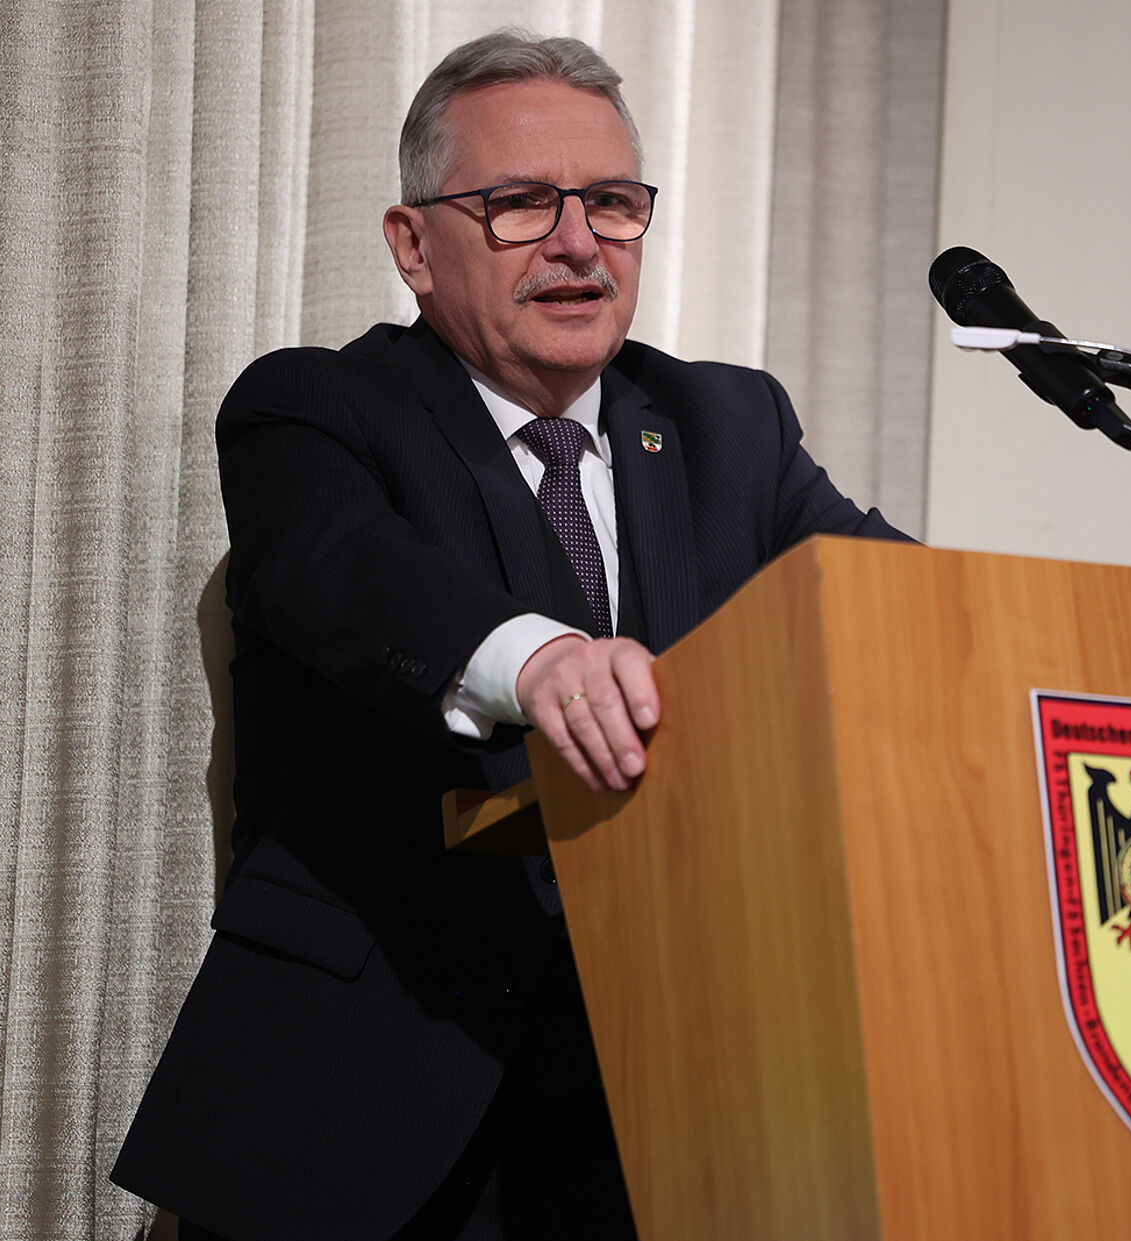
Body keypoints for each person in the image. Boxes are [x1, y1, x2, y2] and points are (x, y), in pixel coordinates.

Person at [111, 28, 907, 1241]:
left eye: (613, 203)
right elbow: (342, 572)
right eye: (522, 203)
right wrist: (537, 660)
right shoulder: (314, 408)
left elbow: (885, 601)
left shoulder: (726, 425)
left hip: (671, 1108)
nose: (580, 241)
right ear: (412, 244)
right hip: (369, 1095)